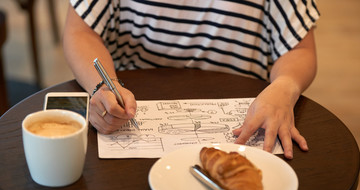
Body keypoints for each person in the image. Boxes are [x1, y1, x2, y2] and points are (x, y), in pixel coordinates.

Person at [63, 0, 320, 159]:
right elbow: (80, 31)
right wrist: (102, 87)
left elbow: (299, 49)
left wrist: (285, 85)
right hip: (132, 112)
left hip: (245, 122)